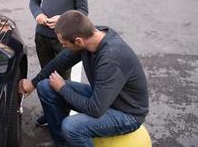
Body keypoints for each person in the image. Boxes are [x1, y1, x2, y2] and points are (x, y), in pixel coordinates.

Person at [19, 10, 149, 147]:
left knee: (72, 126)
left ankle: (72, 136)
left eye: (64, 44)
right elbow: (60, 61)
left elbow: (95, 109)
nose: (63, 47)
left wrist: (63, 88)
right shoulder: (90, 35)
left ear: (78, 41)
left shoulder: (110, 58)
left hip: (127, 113)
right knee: (45, 86)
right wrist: (33, 83)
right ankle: (63, 143)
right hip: (104, 97)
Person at [29, 0, 88, 127]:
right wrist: (38, 14)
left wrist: (63, 18)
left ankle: (61, 116)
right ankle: (50, 112)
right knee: (46, 79)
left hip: (64, 42)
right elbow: (33, 2)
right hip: (42, 38)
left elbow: (83, 11)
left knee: (60, 81)